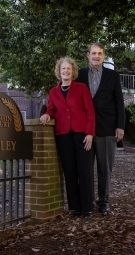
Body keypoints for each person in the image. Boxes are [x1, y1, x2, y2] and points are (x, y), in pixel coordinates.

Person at [40, 57, 95, 218]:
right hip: (63, 135)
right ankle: (76, 208)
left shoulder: (82, 88)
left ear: (73, 72)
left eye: (69, 69)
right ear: (59, 72)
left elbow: (90, 112)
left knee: (84, 170)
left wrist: (90, 133)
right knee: (70, 171)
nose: (66, 71)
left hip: (82, 134)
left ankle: (87, 207)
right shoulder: (53, 92)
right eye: (63, 69)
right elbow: (51, 110)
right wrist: (46, 115)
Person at [75, 42, 125, 213]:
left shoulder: (113, 76)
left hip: (107, 128)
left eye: (100, 53)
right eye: (93, 53)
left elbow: (119, 102)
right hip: (84, 130)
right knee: (86, 168)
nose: (96, 56)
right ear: (88, 55)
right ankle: (87, 201)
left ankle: (103, 201)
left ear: (103, 56)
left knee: (105, 167)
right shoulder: (79, 74)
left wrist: (120, 126)